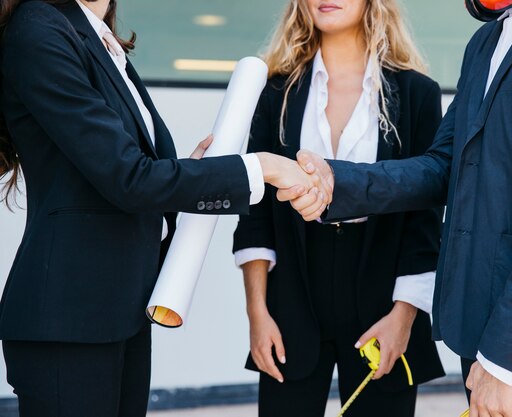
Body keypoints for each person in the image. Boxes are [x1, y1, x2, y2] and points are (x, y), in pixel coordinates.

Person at [282, 0, 512, 416]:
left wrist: (503, 358)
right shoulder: (485, 41)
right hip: (483, 329)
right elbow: (443, 165)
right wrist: (337, 181)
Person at [0, 1, 330, 416]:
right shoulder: (40, 26)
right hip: (70, 319)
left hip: (119, 310)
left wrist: (188, 175)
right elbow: (129, 178)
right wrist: (260, 168)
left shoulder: (100, 39)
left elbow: (131, 173)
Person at [232, 1, 444, 416]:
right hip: (293, 291)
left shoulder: (417, 94)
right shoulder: (276, 92)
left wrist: (404, 317)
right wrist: (257, 312)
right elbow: (255, 211)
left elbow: (426, 217)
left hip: (385, 294)